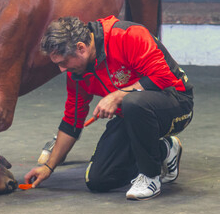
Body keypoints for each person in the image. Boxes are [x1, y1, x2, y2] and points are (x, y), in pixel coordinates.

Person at [25, 15, 194, 200]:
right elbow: (72, 120)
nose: (62, 70)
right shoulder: (77, 74)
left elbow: (163, 77)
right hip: (132, 116)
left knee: (132, 103)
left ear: (81, 48)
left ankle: (150, 177)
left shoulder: (127, 35)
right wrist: (49, 167)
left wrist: (118, 95)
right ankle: (164, 150)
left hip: (176, 102)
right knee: (99, 179)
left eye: (63, 62)